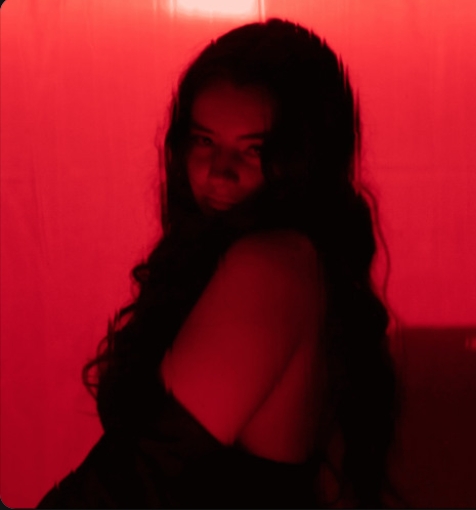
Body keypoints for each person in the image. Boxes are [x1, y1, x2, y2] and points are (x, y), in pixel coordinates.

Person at [37, 18, 400, 509]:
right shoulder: (284, 259)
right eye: (205, 140)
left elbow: (136, 480)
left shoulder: (271, 267)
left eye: (254, 149)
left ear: (306, 159)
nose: (219, 172)